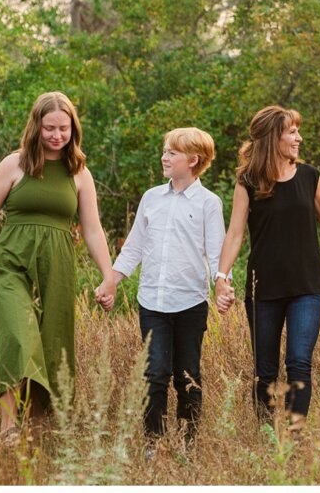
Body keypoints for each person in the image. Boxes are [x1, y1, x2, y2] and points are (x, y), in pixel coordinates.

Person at [0, 91, 117, 442]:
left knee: (52, 344)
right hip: (11, 265)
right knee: (17, 339)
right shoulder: (14, 164)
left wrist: (108, 275)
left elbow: (92, 230)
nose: (56, 135)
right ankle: (8, 426)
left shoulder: (79, 174)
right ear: (37, 126)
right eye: (49, 128)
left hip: (58, 268)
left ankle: (38, 424)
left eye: (63, 128)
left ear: (73, 129)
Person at [214, 105, 320, 425]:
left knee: (300, 361)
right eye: (292, 132)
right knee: (265, 370)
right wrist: (222, 277)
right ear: (273, 137)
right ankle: (267, 435)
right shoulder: (248, 181)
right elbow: (235, 234)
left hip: (307, 287)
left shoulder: (309, 176)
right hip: (264, 289)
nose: (299, 138)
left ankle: (295, 434)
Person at [93, 128, 225, 441]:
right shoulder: (151, 198)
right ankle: (154, 446)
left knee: (187, 375)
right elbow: (134, 247)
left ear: (193, 160)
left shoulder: (209, 203)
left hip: (191, 303)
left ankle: (188, 444)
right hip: (152, 301)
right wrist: (110, 282)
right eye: (164, 151)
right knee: (155, 374)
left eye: (172, 153)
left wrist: (222, 284)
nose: (164, 157)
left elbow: (218, 253)